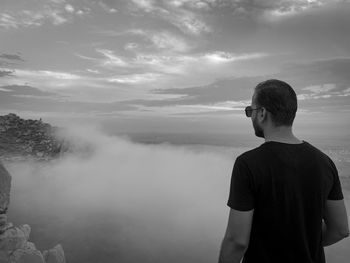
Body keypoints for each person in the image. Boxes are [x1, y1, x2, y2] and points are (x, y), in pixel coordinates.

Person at [218, 79, 349, 263]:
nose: (251, 117)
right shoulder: (324, 162)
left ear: (262, 113)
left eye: (250, 111)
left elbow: (237, 241)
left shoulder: (248, 164)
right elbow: (341, 229)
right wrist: (304, 243)